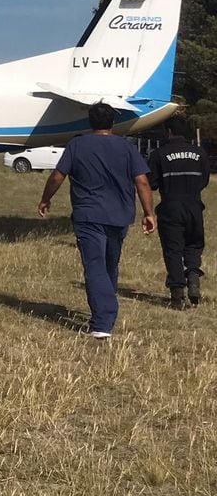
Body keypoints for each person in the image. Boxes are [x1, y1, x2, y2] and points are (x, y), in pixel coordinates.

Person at [38, 102, 156, 339]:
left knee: (95, 266)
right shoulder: (126, 147)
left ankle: (102, 322)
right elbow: (142, 181)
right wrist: (149, 212)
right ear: (113, 122)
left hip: (89, 214)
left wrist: (45, 198)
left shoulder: (77, 144)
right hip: (120, 215)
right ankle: (106, 312)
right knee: (109, 265)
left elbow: (57, 176)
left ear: (89, 122)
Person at [148, 116, 210, 308]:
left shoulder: (159, 154)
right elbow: (204, 180)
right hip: (194, 206)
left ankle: (177, 296)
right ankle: (192, 273)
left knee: (173, 250)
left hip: (171, 208)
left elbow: (152, 183)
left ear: (168, 132)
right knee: (193, 244)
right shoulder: (199, 153)